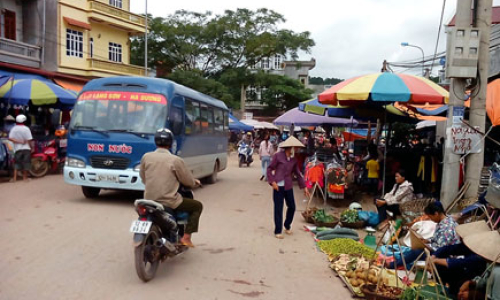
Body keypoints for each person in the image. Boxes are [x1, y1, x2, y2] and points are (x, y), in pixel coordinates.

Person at [139, 128, 202, 248]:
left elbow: (143, 177)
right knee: (197, 206)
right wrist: (195, 182)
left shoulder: (146, 157)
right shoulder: (175, 160)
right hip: (168, 201)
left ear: (155, 142)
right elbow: (187, 181)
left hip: (149, 199)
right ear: (171, 143)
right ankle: (186, 238)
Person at [389, 202, 461, 269]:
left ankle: (392, 265)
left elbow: (441, 248)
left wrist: (426, 246)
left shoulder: (447, 227)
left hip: (446, 255)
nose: (431, 219)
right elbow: (438, 239)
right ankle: (397, 262)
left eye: (430, 217)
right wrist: (427, 240)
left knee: (417, 252)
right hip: (440, 249)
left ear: (436, 214)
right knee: (412, 250)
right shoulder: (445, 220)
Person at [267, 136, 310, 239]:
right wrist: (272, 182)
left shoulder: (293, 160)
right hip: (278, 186)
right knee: (278, 208)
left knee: (292, 207)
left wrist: (304, 187)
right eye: (294, 148)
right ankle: (278, 231)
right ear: (289, 148)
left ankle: (287, 225)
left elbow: (298, 174)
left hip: (288, 186)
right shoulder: (278, 156)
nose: (296, 150)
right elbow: (269, 169)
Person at [8, 114, 33, 182]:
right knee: (26, 163)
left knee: (17, 163)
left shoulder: (14, 128)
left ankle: (15, 178)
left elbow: (10, 138)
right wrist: (31, 147)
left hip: (17, 149)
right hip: (26, 148)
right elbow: (29, 139)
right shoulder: (26, 129)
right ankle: (25, 178)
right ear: (24, 121)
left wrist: (18, 141)